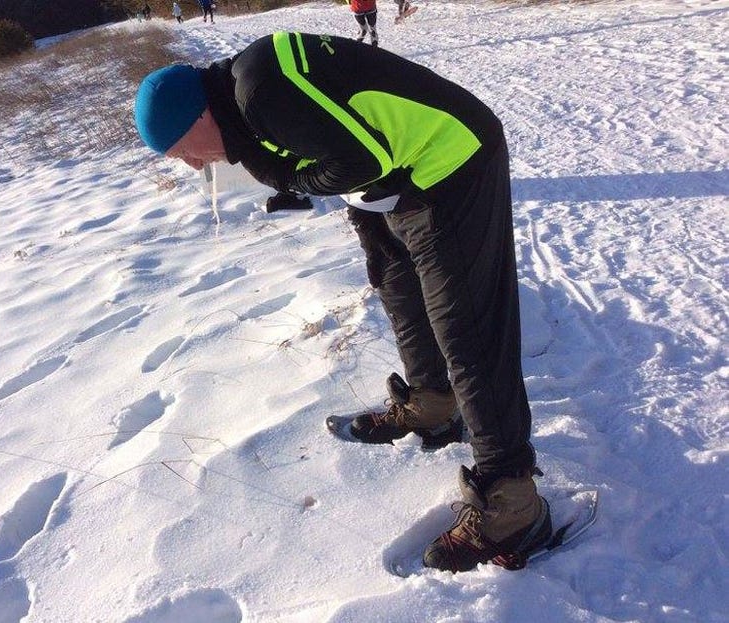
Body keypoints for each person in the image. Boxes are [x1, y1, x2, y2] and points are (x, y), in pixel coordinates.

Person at [133, 33, 550, 572]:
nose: (193, 166)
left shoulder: (260, 95)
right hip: (390, 179)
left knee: (465, 326)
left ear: (197, 119)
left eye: (184, 151)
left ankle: (513, 500)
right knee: (397, 287)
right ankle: (433, 404)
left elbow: (358, 156)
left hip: (448, 161)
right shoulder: (239, 107)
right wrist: (283, 169)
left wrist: (285, 175)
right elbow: (344, 149)